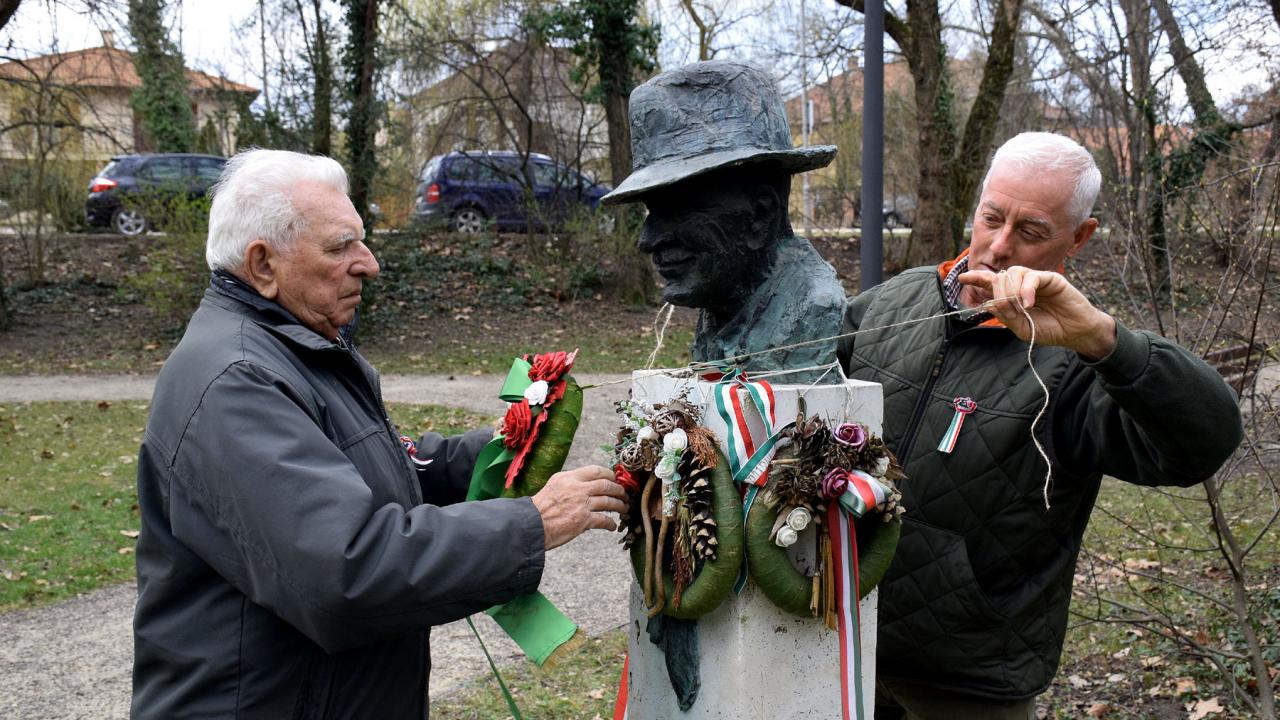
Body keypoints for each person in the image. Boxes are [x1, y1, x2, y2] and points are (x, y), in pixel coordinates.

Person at [131, 149, 628, 719]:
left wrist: (495, 449)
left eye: (361, 241)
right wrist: (531, 523)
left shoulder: (297, 345)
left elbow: (373, 464)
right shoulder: (235, 381)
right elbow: (345, 572)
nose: (368, 263)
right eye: (341, 246)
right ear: (263, 265)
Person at [837, 131, 1243, 720]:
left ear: (1079, 238)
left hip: (968, 681)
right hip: (842, 642)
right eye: (991, 217)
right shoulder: (890, 302)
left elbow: (1203, 442)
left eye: (1030, 232)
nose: (998, 248)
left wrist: (1104, 341)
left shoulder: (1081, 364)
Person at [602, 59, 846, 378]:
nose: (647, 241)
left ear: (760, 215)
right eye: (652, 210)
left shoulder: (811, 311)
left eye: (676, 210)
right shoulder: (724, 304)